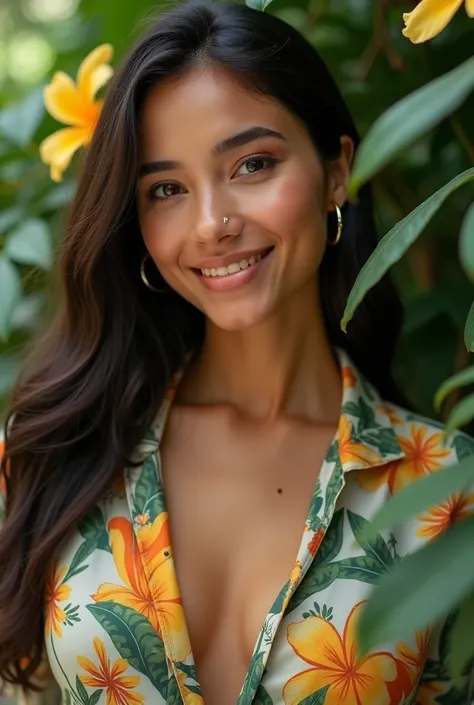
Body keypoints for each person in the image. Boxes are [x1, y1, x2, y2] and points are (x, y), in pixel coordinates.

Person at [1, 1, 473, 704]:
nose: (212, 223)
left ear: (337, 169)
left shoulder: (450, 493)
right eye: (166, 189)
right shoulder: (55, 449)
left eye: (252, 164)